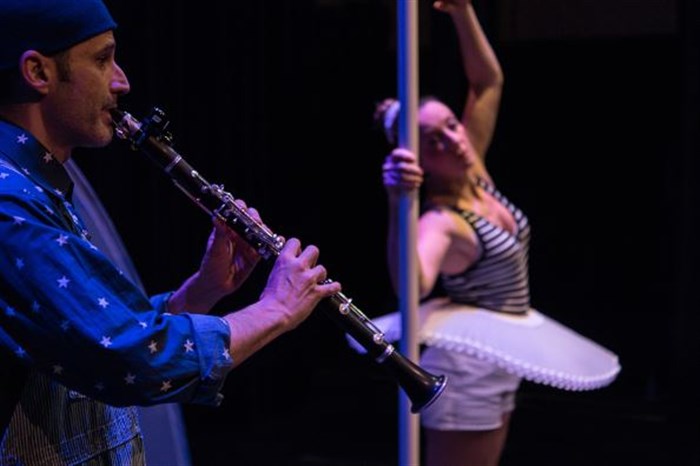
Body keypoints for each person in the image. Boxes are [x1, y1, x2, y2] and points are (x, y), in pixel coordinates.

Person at [0, 0, 341, 464]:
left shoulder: (38, 188)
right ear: (38, 72)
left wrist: (201, 291)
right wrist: (275, 309)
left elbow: (97, 330)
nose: (122, 81)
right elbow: (129, 358)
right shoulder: (11, 205)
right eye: (102, 59)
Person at [374, 1, 620, 465]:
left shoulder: (474, 171)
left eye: (451, 125)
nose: (453, 140)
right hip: (468, 369)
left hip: (502, 355)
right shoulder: (441, 220)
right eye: (433, 142)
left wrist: (462, 11)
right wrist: (396, 202)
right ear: (420, 160)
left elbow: (488, 82)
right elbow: (412, 286)